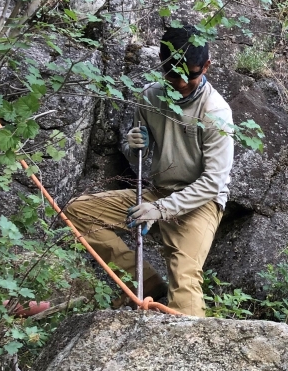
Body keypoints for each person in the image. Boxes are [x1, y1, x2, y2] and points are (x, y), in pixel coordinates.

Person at [64, 24, 233, 316]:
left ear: (206, 66)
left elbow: (212, 182)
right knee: (78, 212)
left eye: (189, 75)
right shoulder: (150, 96)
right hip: (158, 192)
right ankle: (149, 283)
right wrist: (133, 146)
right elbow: (140, 154)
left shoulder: (216, 113)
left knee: (184, 276)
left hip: (201, 203)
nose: (180, 83)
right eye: (172, 73)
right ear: (161, 63)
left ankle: (190, 349)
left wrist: (162, 209)